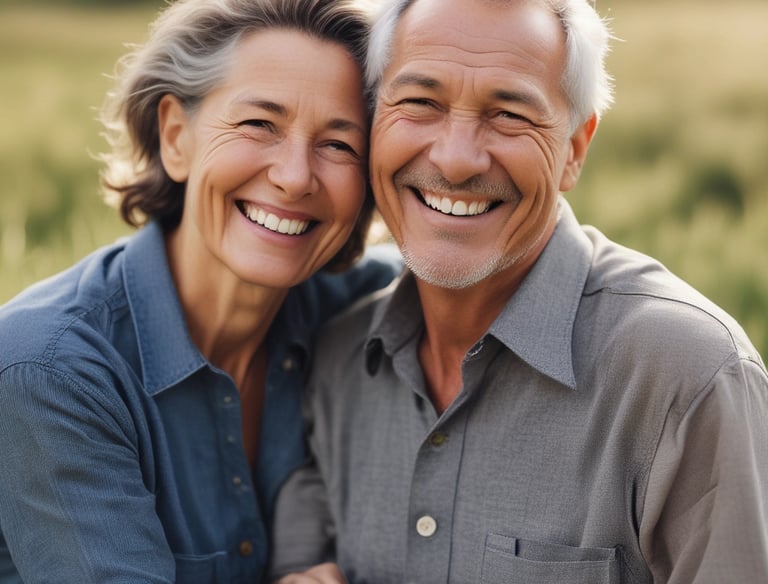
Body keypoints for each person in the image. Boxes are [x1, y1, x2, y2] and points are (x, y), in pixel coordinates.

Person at [269, 0, 768, 582]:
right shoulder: (335, 362)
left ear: (574, 150)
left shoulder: (688, 379)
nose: (456, 161)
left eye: (509, 114)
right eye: (420, 102)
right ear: (374, 120)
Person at [0, 0, 402, 582]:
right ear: (175, 135)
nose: (294, 176)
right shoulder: (47, 370)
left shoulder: (366, 308)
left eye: (340, 144)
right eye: (259, 124)